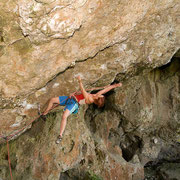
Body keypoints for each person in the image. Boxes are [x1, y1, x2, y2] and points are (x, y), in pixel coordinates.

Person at [42, 76, 122, 144]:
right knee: (52, 100)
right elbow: (106, 90)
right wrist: (116, 85)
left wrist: (80, 81)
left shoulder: (90, 100)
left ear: (98, 98)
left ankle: (60, 135)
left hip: (74, 104)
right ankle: (44, 114)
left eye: (101, 96)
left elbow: (83, 92)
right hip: (70, 98)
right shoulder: (96, 95)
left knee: (64, 116)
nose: (101, 94)